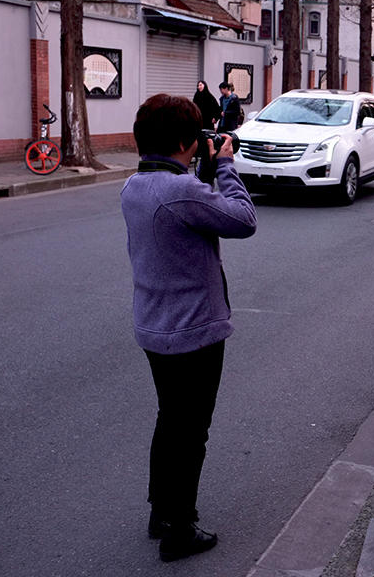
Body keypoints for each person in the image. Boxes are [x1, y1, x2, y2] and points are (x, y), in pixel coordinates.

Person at [121, 93, 256, 562]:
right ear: (184, 141)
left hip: (155, 325)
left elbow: (187, 211)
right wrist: (226, 166)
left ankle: (162, 512)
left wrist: (202, 168)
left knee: (170, 420)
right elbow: (242, 220)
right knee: (191, 429)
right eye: (195, 138)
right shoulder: (178, 191)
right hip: (192, 330)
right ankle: (181, 528)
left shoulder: (136, 185)